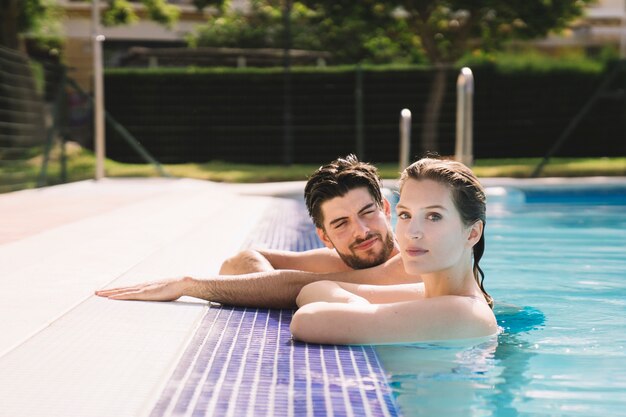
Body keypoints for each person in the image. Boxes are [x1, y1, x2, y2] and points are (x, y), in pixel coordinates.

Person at [95, 155, 415, 308]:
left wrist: (189, 285)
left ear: (386, 211)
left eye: (367, 213)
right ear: (324, 237)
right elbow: (243, 259)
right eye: (341, 224)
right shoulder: (340, 263)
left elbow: (294, 285)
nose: (361, 232)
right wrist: (264, 288)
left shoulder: (415, 259)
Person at [289, 157, 498, 344]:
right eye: (406, 215)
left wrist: (359, 311)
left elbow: (306, 321)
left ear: (472, 234)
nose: (412, 233)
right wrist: (357, 307)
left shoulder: (464, 314)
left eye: (434, 216)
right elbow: (314, 289)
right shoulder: (428, 295)